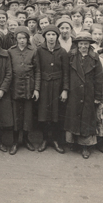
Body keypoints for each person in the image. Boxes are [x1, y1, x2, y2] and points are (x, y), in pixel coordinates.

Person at [63, 32, 103, 159]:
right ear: (77, 45)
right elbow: (66, 74)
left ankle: (85, 146)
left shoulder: (94, 57)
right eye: (81, 44)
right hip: (74, 93)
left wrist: (98, 96)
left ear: (89, 45)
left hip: (88, 93)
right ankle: (72, 142)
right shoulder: (71, 56)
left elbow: (99, 78)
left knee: (86, 119)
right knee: (73, 118)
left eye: (86, 44)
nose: (83, 46)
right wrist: (66, 89)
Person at [7, 26, 41, 155]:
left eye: (24, 38)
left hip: (29, 86)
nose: (22, 40)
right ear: (16, 39)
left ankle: (26, 139)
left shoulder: (33, 51)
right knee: (16, 115)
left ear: (28, 39)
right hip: (15, 86)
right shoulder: (11, 51)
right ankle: (15, 141)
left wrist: (36, 89)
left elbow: (37, 71)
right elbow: (8, 70)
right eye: (19, 38)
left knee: (27, 115)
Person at [36, 25, 69, 154]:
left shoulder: (62, 52)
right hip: (44, 85)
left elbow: (66, 73)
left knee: (56, 114)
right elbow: (37, 70)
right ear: (45, 36)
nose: (51, 37)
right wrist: (37, 89)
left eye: (53, 35)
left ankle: (55, 140)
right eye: (48, 35)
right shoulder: (39, 50)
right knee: (44, 113)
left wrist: (65, 89)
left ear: (57, 36)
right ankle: (45, 139)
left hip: (58, 86)